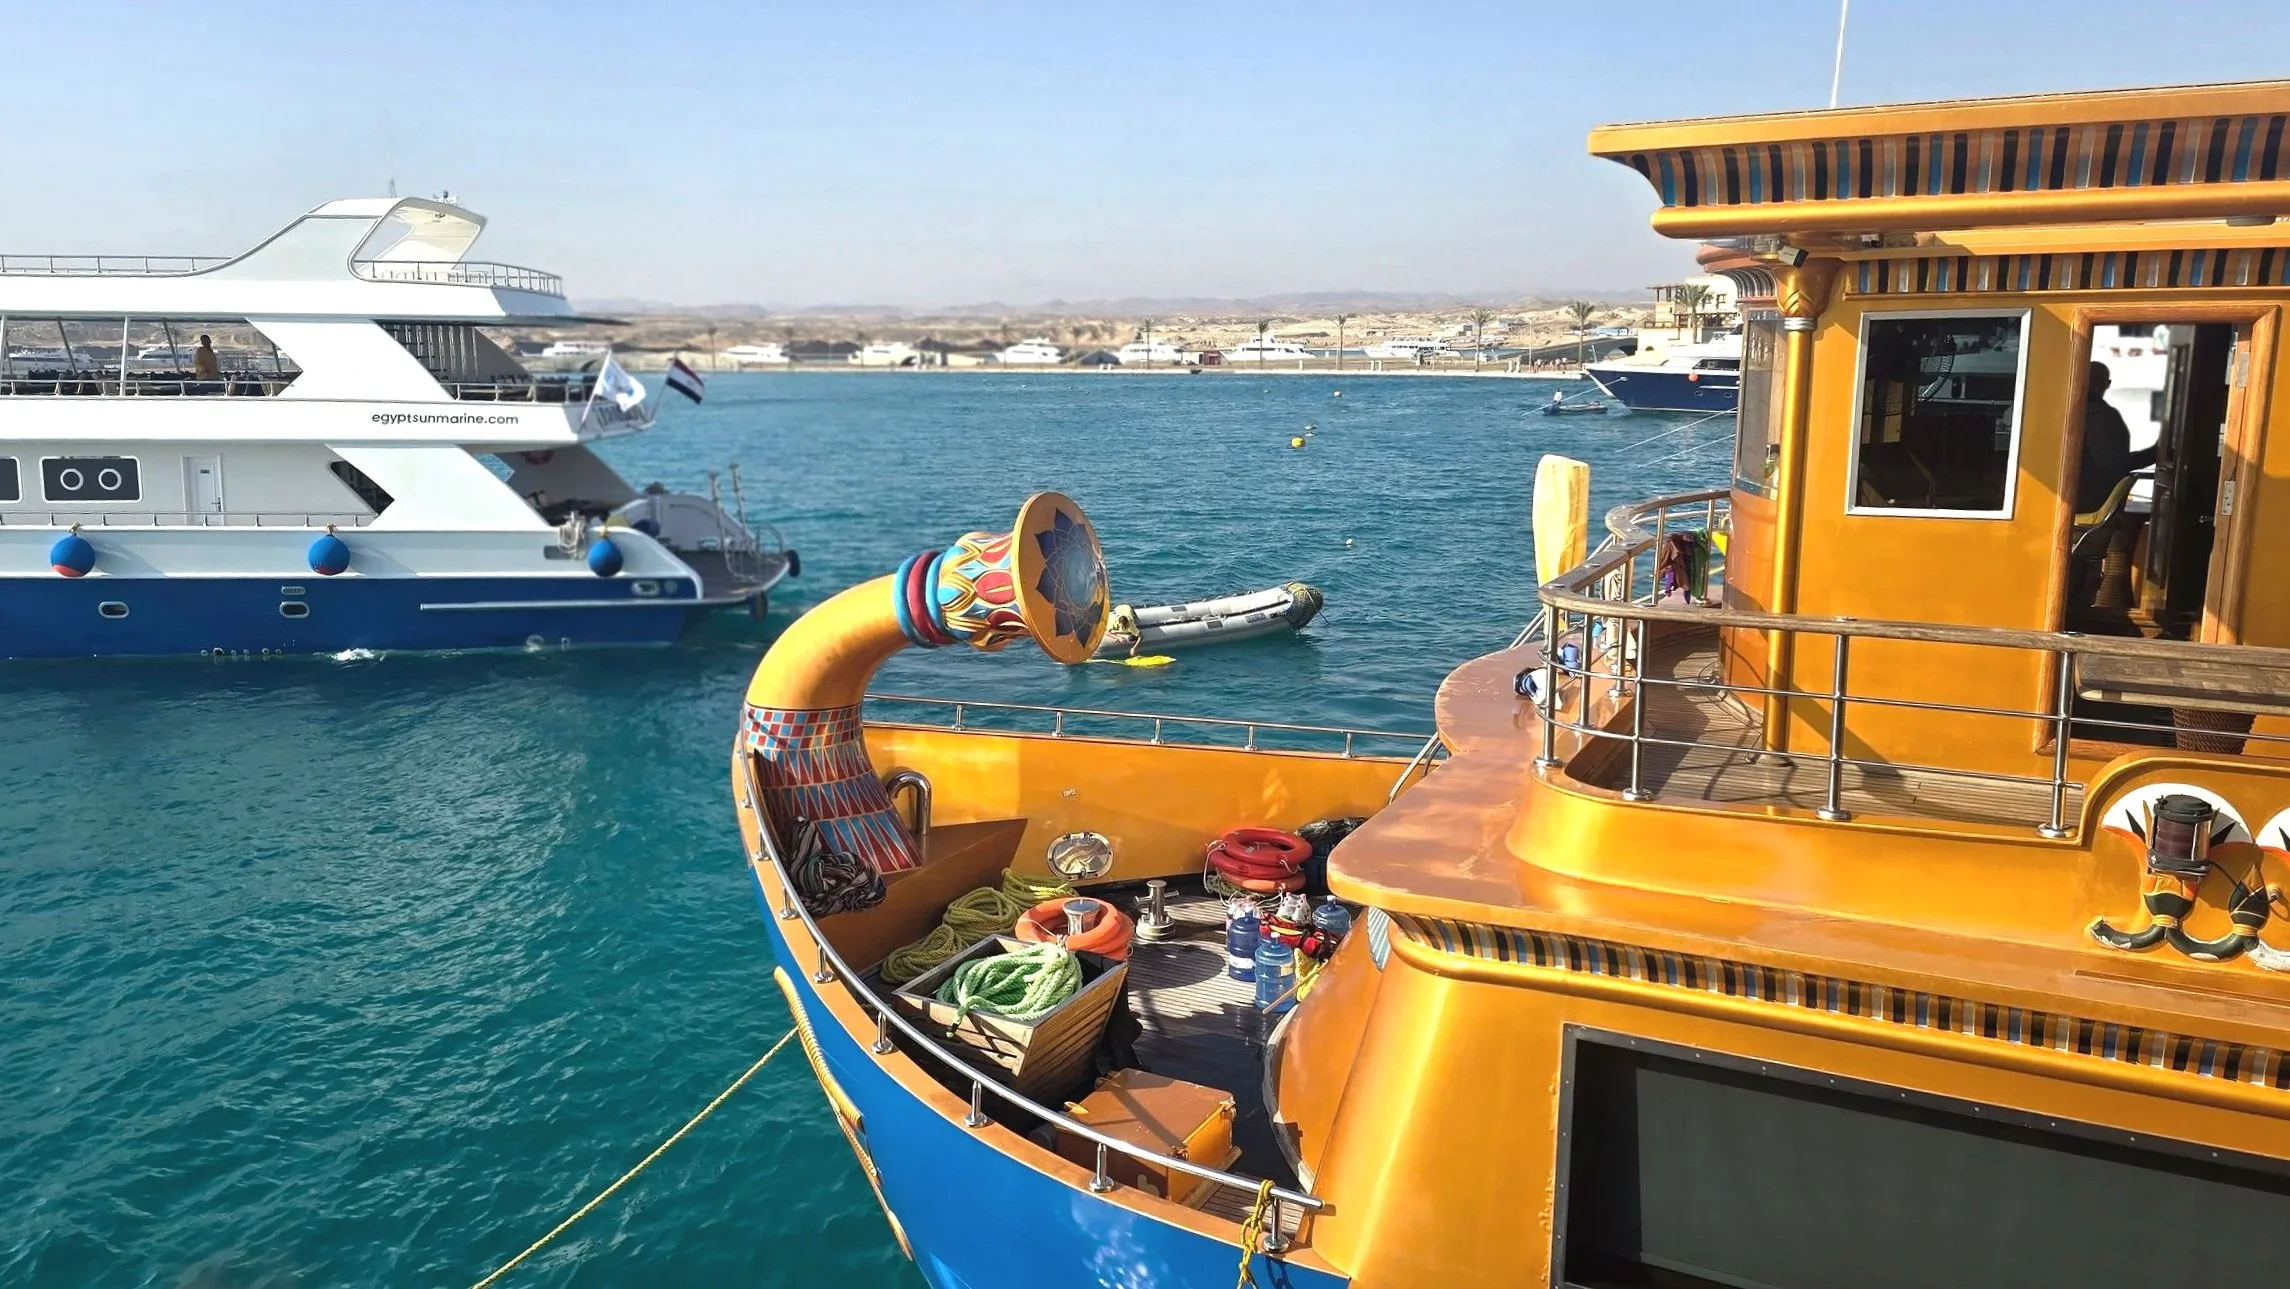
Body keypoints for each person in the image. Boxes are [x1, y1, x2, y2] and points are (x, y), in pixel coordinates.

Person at [2076, 361, 2155, 513]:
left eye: (2097, 378)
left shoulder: (2071, 410)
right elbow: (2112, 463)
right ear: (2108, 384)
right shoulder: (2100, 415)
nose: (2094, 382)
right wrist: (2153, 454)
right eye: (2093, 377)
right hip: (2092, 506)